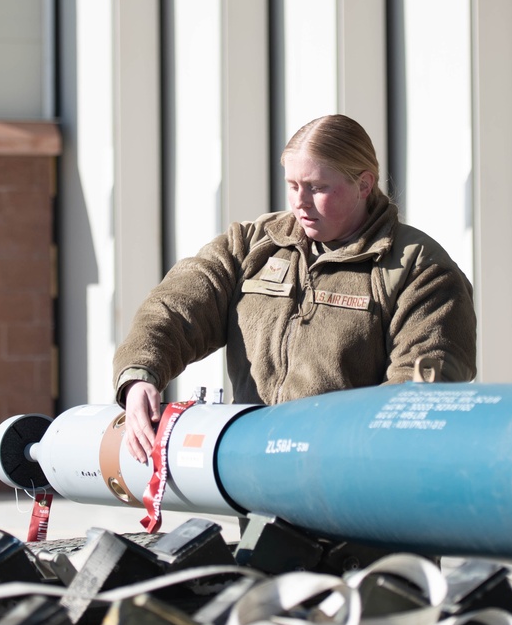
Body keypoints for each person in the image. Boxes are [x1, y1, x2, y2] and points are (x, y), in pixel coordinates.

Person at [114, 114, 477, 462]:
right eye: (292, 186)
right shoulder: (252, 243)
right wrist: (140, 376)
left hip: (353, 490)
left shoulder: (419, 268)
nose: (300, 202)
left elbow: (420, 390)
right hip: (254, 477)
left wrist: (331, 453)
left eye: (318, 188)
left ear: (364, 185)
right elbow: (176, 305)